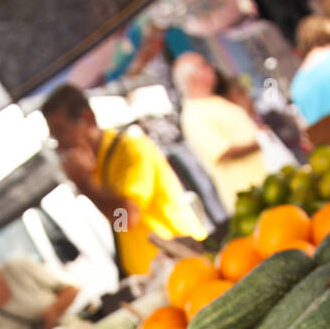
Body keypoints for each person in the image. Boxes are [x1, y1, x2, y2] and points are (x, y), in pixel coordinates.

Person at [41, 83, 206, 276]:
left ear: (87, 118)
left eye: (62, 132)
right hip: (156, 274)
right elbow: (120, 224)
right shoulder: (98, 167)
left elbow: (127, 217)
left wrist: (85, 186)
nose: (61, 145)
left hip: (182, 265)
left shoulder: (131, 150)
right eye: (55, 138)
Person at [173, 52, 294, 213]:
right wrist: (259, 141)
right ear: (194, 76)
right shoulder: (193, 114)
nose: (212, 67)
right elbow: (222, 152)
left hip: (269, 187)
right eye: (204, 65)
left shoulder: (213, 101)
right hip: (252, 198)